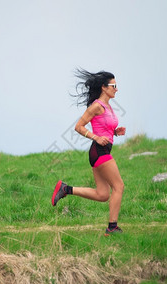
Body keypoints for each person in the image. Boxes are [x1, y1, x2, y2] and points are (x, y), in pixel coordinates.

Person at [51, 69, 126, 236]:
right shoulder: (96, 106)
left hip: (101, 151)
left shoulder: (108, 106)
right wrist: (96, 137)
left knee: (102, 194)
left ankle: (66, 189)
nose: (116, 89)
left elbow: (103, 128)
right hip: (99, 152)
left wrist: (115, 132)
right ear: (104, 87)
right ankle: (112, 227)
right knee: (119, 186)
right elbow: (78, 127)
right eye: (114, 85)